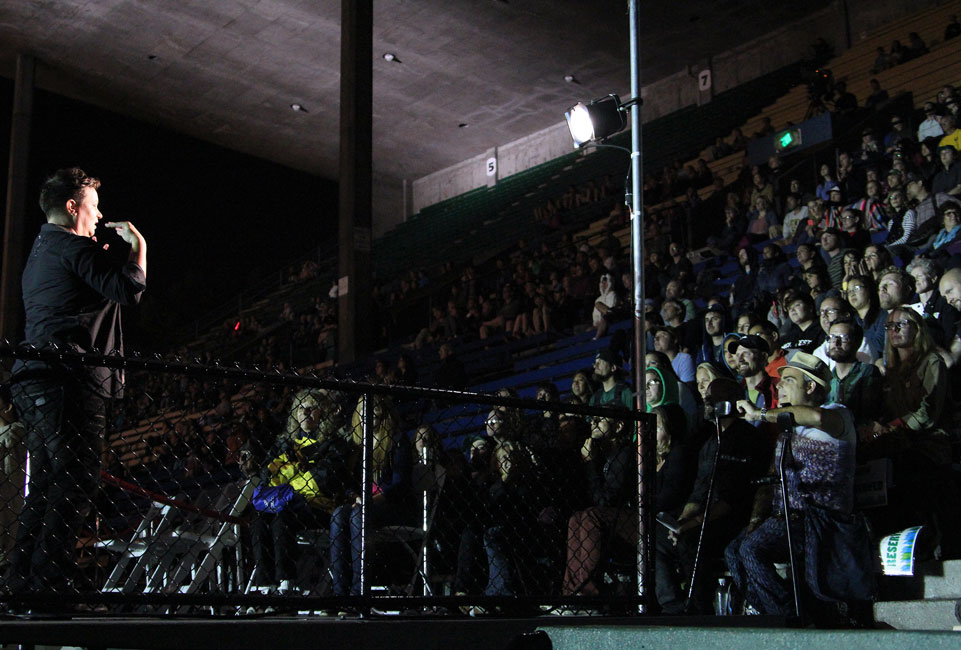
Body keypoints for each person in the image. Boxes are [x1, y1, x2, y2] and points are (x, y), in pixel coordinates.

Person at [4, 168, 147, 594]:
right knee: (76, 479)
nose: (100, 215)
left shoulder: (43, 250)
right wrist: (139, 246)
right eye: (94, 206)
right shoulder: (70, 246)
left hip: (36, 378)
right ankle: (50, 583)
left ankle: (22, 581)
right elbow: (127, 289)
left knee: (49, 480)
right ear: (72, 207)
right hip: (67, 379)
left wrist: (100, 251)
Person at [726, 351, 858, 617]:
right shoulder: (788, 431)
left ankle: (788, 617)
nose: (779, 385)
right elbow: (771, 478)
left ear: (810, 386)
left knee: (752, 549)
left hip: (821, 516)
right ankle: (778, 612)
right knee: (734, 552)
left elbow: (815, 418)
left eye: (788, 380)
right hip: (787, 516)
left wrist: (762, 414)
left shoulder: (838, 415)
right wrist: (755, 520)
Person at [249, 389, 352, 593]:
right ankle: (264, 584)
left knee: (281, 514)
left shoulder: (333, 442)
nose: (305, 412)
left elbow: (323, 479)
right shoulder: (284, 443)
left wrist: (286, 475)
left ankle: (286, 582)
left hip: (317, 506)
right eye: (301, 408)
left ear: (322, 413)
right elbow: (265, 475)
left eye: (311, 408)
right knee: (259, 516)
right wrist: (297, 475)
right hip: (286, 503)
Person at [329, 395, 413, 597]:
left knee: (358, 516)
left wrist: (370, 501)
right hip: (362, 505)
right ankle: (339, 593)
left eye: (375, 408)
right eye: (364, 408)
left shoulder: (397, 440)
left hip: (391, 506)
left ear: (384, 411)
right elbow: (348, 482)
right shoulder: (356, 444)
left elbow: (399, 483)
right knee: (340, 514)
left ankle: (359, 593)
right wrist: (355, 496)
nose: (370, 413)